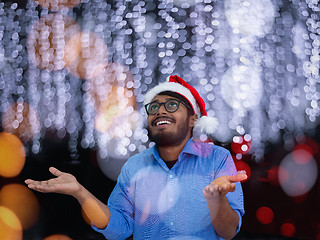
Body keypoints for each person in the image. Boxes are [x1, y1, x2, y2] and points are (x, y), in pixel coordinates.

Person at [25, 75, 247, 240]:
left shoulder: (217, 159)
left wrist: (215, 198)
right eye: (154, 107)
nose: (160, 111)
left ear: (192, 119)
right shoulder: (135, 166)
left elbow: (227, 232)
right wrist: (79, 193)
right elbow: (118, 229)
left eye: (171, 105)